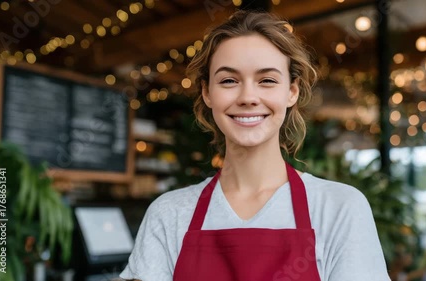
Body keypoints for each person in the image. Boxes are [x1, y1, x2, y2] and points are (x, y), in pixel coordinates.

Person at [120, 10, 389, 281]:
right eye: (228, 81)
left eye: (267, 80)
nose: (248, 97)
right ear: (206, 92)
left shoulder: (339, 208)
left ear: (291, 92)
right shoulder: (169, 214)